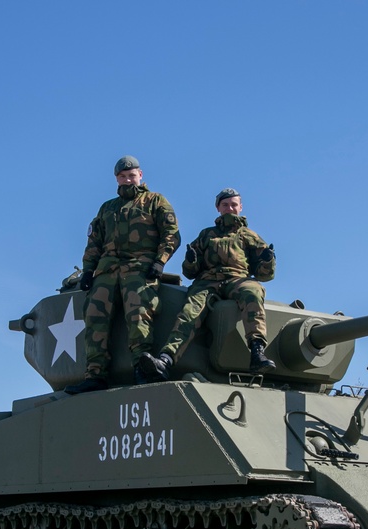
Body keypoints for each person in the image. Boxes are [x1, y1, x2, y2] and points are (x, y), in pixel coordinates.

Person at [64, 155, 180, 395]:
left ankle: (141, 367)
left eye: (132, 175)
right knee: (95, 316)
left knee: (138, 314)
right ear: (117, 179)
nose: (128, 180)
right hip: (107, 270)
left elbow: (171, 234)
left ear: (140, 175)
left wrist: (160, 261)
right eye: (123, 177)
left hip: (140, 265)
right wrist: (88, 270)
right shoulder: (108, 208)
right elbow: (95, 241)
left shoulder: (155, 201)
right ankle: (95, 374)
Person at [140, 188, 276, 381]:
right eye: (225, 205)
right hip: (207, 281)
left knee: (253, 293)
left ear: (240, 207)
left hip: (238, 278)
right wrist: (191, 261)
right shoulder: (206, 235)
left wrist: (267, 260)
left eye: (233, 204)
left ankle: (257, 350)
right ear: (218, 208)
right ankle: (166, 359)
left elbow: (265, 275)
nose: (230, 208)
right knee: (189, 313)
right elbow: (189, 272)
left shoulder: (249, 236)